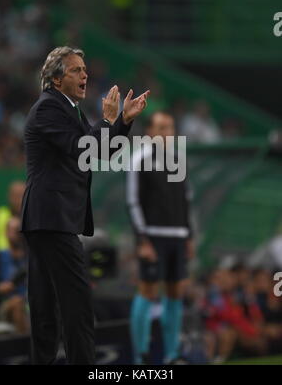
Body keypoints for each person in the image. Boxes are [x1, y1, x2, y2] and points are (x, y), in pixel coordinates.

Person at [20, 46, 149, 365]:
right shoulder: (49, 108)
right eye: (76, 70)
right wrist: (107, 120)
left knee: (46, 309)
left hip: (47, 221)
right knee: (76, 306)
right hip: (52, 220)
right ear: (55, 78)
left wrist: (122, 123)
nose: (85, 75)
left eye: (85, 69)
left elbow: (101, 153)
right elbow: (83, 148)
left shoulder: (68, 110)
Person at [127, 111, 195, 364]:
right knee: (147, 290)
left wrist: (189, 236)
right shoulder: (139, 160)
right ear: (150, 132)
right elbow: (133, 202)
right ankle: (140, 356)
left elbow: (185, 201)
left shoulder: (179, 160)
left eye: (170, 128)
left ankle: (172, 354)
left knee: (176, 292)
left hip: (177, 235)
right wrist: (142, 240)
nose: (168, 133)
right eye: (162, 128)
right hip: (153, 236)